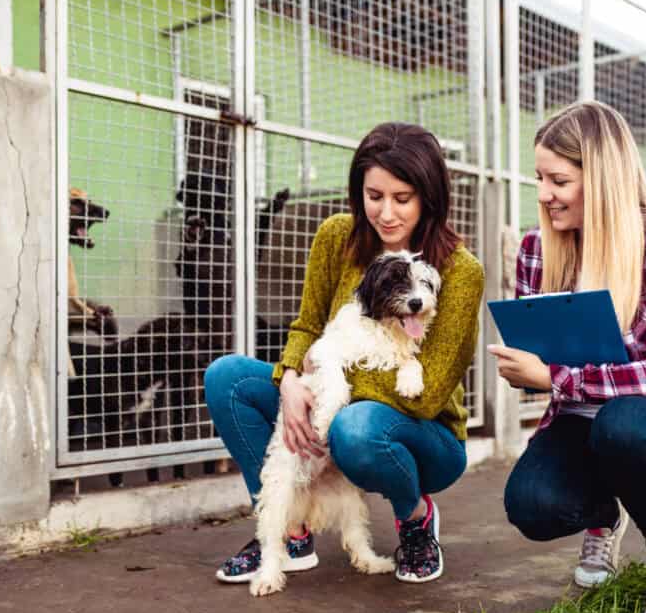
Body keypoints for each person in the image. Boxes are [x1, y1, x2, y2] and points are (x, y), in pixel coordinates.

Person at [488, 101, 646, 613]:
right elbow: (542, 369)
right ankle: (605, 513)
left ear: (600, 178)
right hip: (582, 421)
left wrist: (557, 376)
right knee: (530, 505)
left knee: (622, 423)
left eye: (558, 180)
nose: (543, 194)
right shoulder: (537, 247)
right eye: (539, 177)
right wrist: (526, 368)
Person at [204, 122, 485, 585]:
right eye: (375, 196)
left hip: (423, 434)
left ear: (429, 196)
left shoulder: (459, 269)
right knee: (227, 377)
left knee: (353, 426)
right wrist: (291, 381)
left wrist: (330, 376)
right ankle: (287, 532)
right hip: (323, 389)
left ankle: (415, 517)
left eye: (403, 198)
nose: (387, 213)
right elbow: (307, 325)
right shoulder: (338, 236)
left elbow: (427, 392)